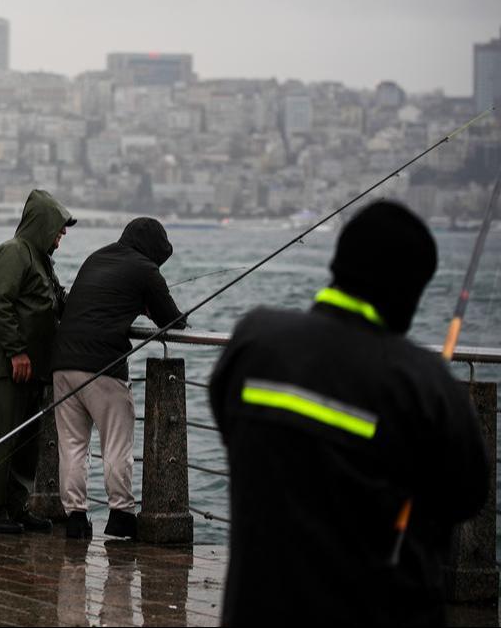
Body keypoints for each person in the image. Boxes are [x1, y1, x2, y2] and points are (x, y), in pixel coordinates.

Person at [209, 200, 487, 626]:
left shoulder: (255, 341)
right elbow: (467, 495)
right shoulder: (423, 383)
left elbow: (228, 418)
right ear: (410, 290)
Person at [51, 217, 186, 540]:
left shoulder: (97, 257)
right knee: (115, 444)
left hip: (63, 363)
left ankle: (76, 518)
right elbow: (172, 320)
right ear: (154, 248)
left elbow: (95, 303)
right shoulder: (145, 269)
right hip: (103, 367)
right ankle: (121, 516)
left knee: (71, 446)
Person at [0, 188, 75, 534]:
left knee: (25, 444)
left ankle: (15, 507)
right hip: (6, 367)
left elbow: (53, 303)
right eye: (58, 231)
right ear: (42, 225)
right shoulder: (14, 253)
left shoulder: (41, 260)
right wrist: (16, 351)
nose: (60, 238)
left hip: (33, 371)